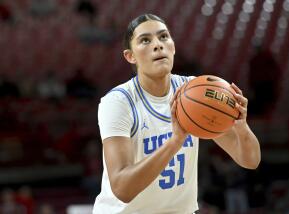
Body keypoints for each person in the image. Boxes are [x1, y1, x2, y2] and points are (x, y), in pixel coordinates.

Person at [93, 14, 261, 214]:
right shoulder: (118, 102)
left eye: (163, 37)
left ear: (173, 46)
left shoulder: (193, 92)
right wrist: (174, 143)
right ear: (130, 56)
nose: (157, 45)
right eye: (145, 40)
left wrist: (241, 128)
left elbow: (250, 161)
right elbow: (122, 188)